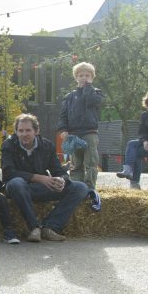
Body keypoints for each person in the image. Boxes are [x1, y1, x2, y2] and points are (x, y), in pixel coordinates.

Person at [1, 113, 88, 242]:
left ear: (36, 131)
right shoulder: (8, 145)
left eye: (28, 130)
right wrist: (39, 178)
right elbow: (8, 173)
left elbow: (58, 170)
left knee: (80, 187)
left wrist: (61, 180)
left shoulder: (47, 145)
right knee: (16, 183)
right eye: (20, 131)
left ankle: (50, 227)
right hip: (18, 190)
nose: (24, 134)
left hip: (39, 188)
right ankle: (34, 228)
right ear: (16, 132)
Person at [56, 62, 103, 210]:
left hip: (89, 132)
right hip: (74, 133)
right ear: (76, 77)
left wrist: (88, 88)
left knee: (90, 161)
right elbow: (63, 116)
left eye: (87, 75)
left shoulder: (96, 93)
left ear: (92, 78)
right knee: (76, 163)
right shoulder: (69, 97)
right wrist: (63, 129)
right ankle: (77, 187)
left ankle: (90, 188)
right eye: (81, 75)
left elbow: (95, 102)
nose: (84, 77)